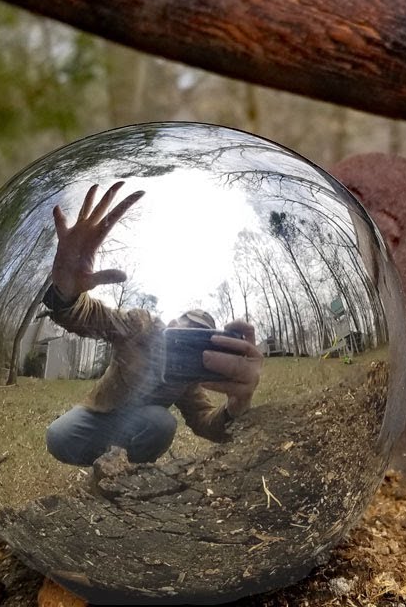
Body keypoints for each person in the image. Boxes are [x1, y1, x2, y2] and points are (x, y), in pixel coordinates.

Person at [41, 181, 263, 466]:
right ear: (172, 322)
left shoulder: (190, 374)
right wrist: (68, 293)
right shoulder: (141, 327)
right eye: (187, 327)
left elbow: (205, 422)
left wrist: (235, 407)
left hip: (143, 424)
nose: (189, 339)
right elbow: (94, 318)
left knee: (161, 423)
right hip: (102, 413)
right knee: (57, 437)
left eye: (200, 336)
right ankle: (104, 459)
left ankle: (125, 473)